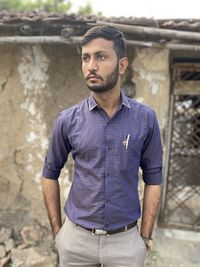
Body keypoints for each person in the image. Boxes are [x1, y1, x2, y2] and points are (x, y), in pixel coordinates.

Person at [42, 25, 163, 267]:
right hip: (76, 243)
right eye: (86, 58)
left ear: (122, 64)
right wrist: (59, 234)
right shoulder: (68, 120)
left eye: (101, 56)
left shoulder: (146, 119)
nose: (91, 66)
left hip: (126, 244)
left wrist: (145, 236)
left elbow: (154, 180)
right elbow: (49, 174)